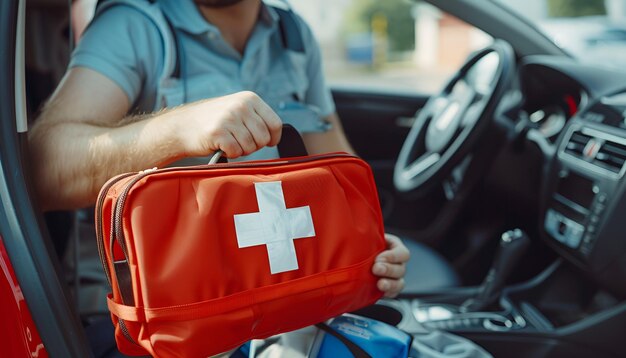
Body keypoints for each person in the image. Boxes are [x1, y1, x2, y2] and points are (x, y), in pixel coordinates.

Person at [29, 0, 408, 301]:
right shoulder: (133, 26)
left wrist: (373, 241)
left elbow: (342, 175)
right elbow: (42, 169)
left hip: (281, 295)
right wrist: (179, 127)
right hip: (164, 314)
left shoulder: (293, 36)